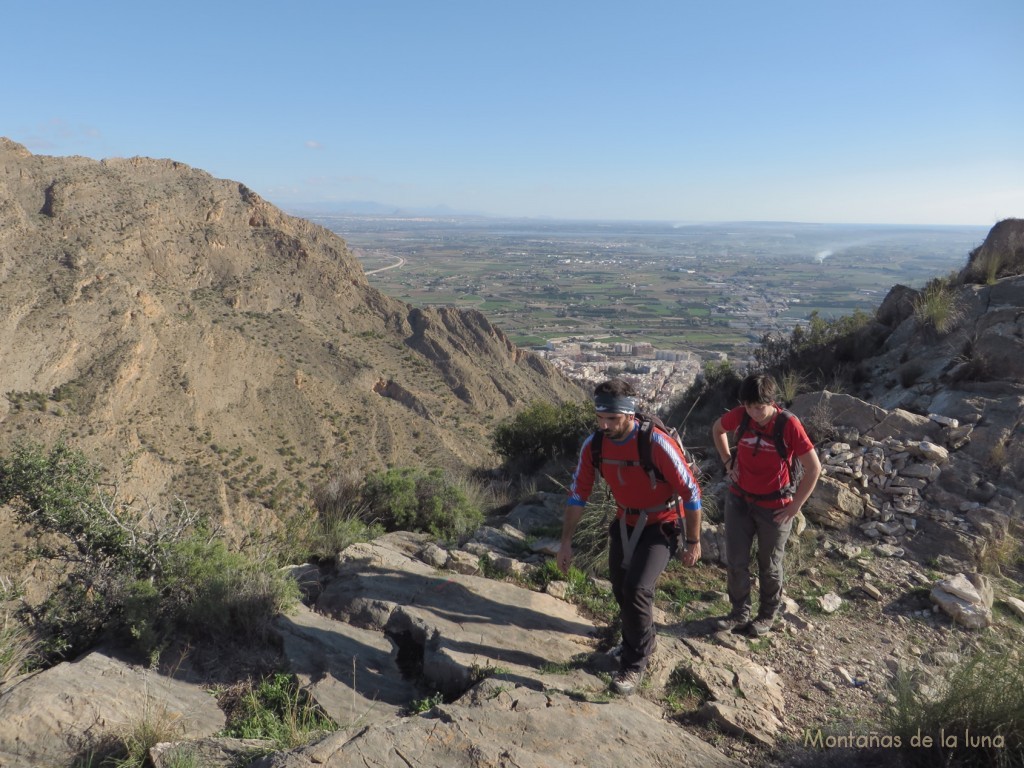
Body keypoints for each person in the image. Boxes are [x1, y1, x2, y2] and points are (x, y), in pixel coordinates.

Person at [557, 378, 702, 695]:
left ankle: (634, 665)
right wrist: (566, 541)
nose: (605, 425)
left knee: (637, 589)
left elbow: (690, 492)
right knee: (621, 590)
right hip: (624, 520)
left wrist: (693, 541)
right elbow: (578, 494)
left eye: (613, 418)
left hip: (661, 525)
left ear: (630, 414)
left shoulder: (655, 444)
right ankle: (638, 643)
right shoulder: (594, 445)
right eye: (601, 418)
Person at [710, 373, 821, 637]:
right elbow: (718, 429)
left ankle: (767, 614)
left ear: (771, 402)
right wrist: (728, 462)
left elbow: (813, 467)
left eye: (759, 407)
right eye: (748, 406)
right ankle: (739, 612)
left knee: (769, 564)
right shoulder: (742, 415)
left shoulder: (788, 425)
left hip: (775, 505)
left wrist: (795, 506)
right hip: (739, 498)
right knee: (736, 560)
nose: (753, 412)